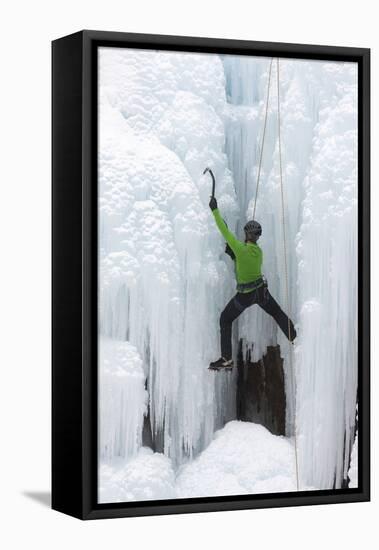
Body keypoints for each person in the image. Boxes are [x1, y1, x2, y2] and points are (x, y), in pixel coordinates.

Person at [209, 196, 296, 371]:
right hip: (262, 293)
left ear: (247, 234)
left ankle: (226, 359)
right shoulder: (259, 252)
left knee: (225, 319)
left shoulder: (241, 249)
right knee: (277, 312)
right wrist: (234, 255)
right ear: (257, 236)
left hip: (245, 296)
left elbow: (224, 231)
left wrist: (215, 209)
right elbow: (245, 263)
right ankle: (294, 336)